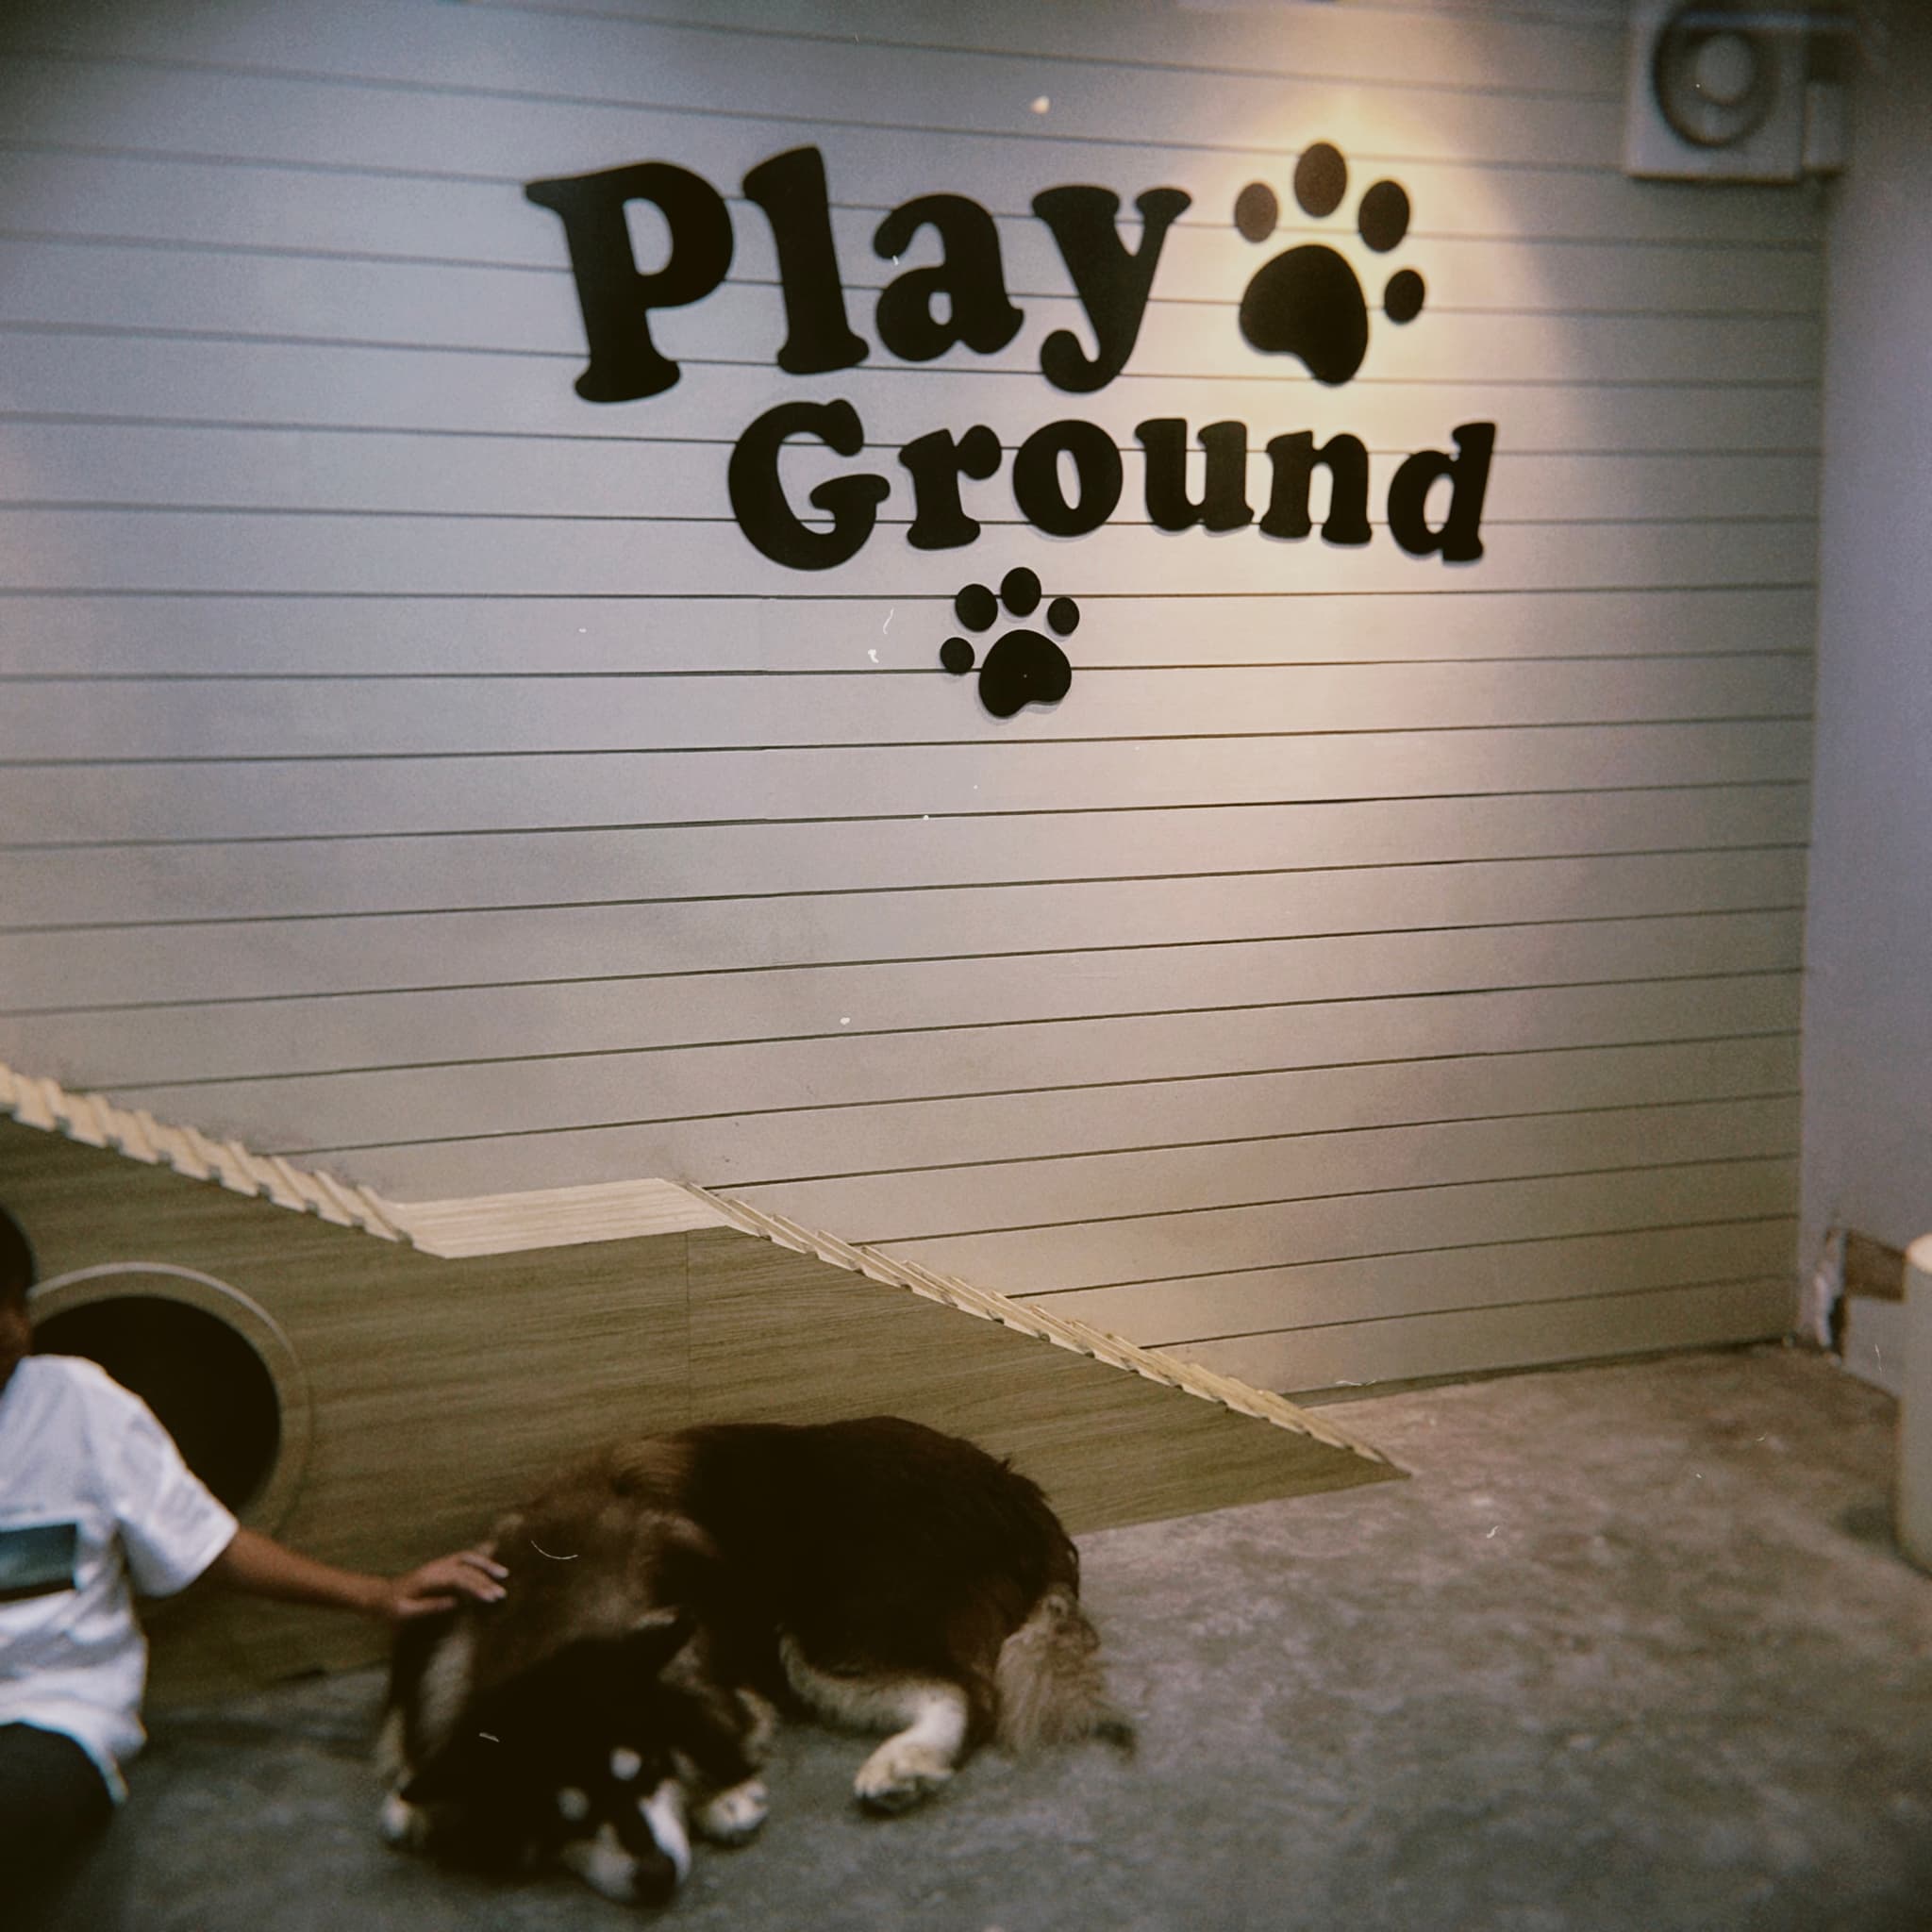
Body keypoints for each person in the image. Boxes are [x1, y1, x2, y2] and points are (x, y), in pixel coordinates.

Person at [0, 1205, 508, 1919]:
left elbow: (209, 1542)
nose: (8, 1329)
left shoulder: (79, 1403)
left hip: (50, 1716)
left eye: (14, 1302)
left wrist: (377, 1596)